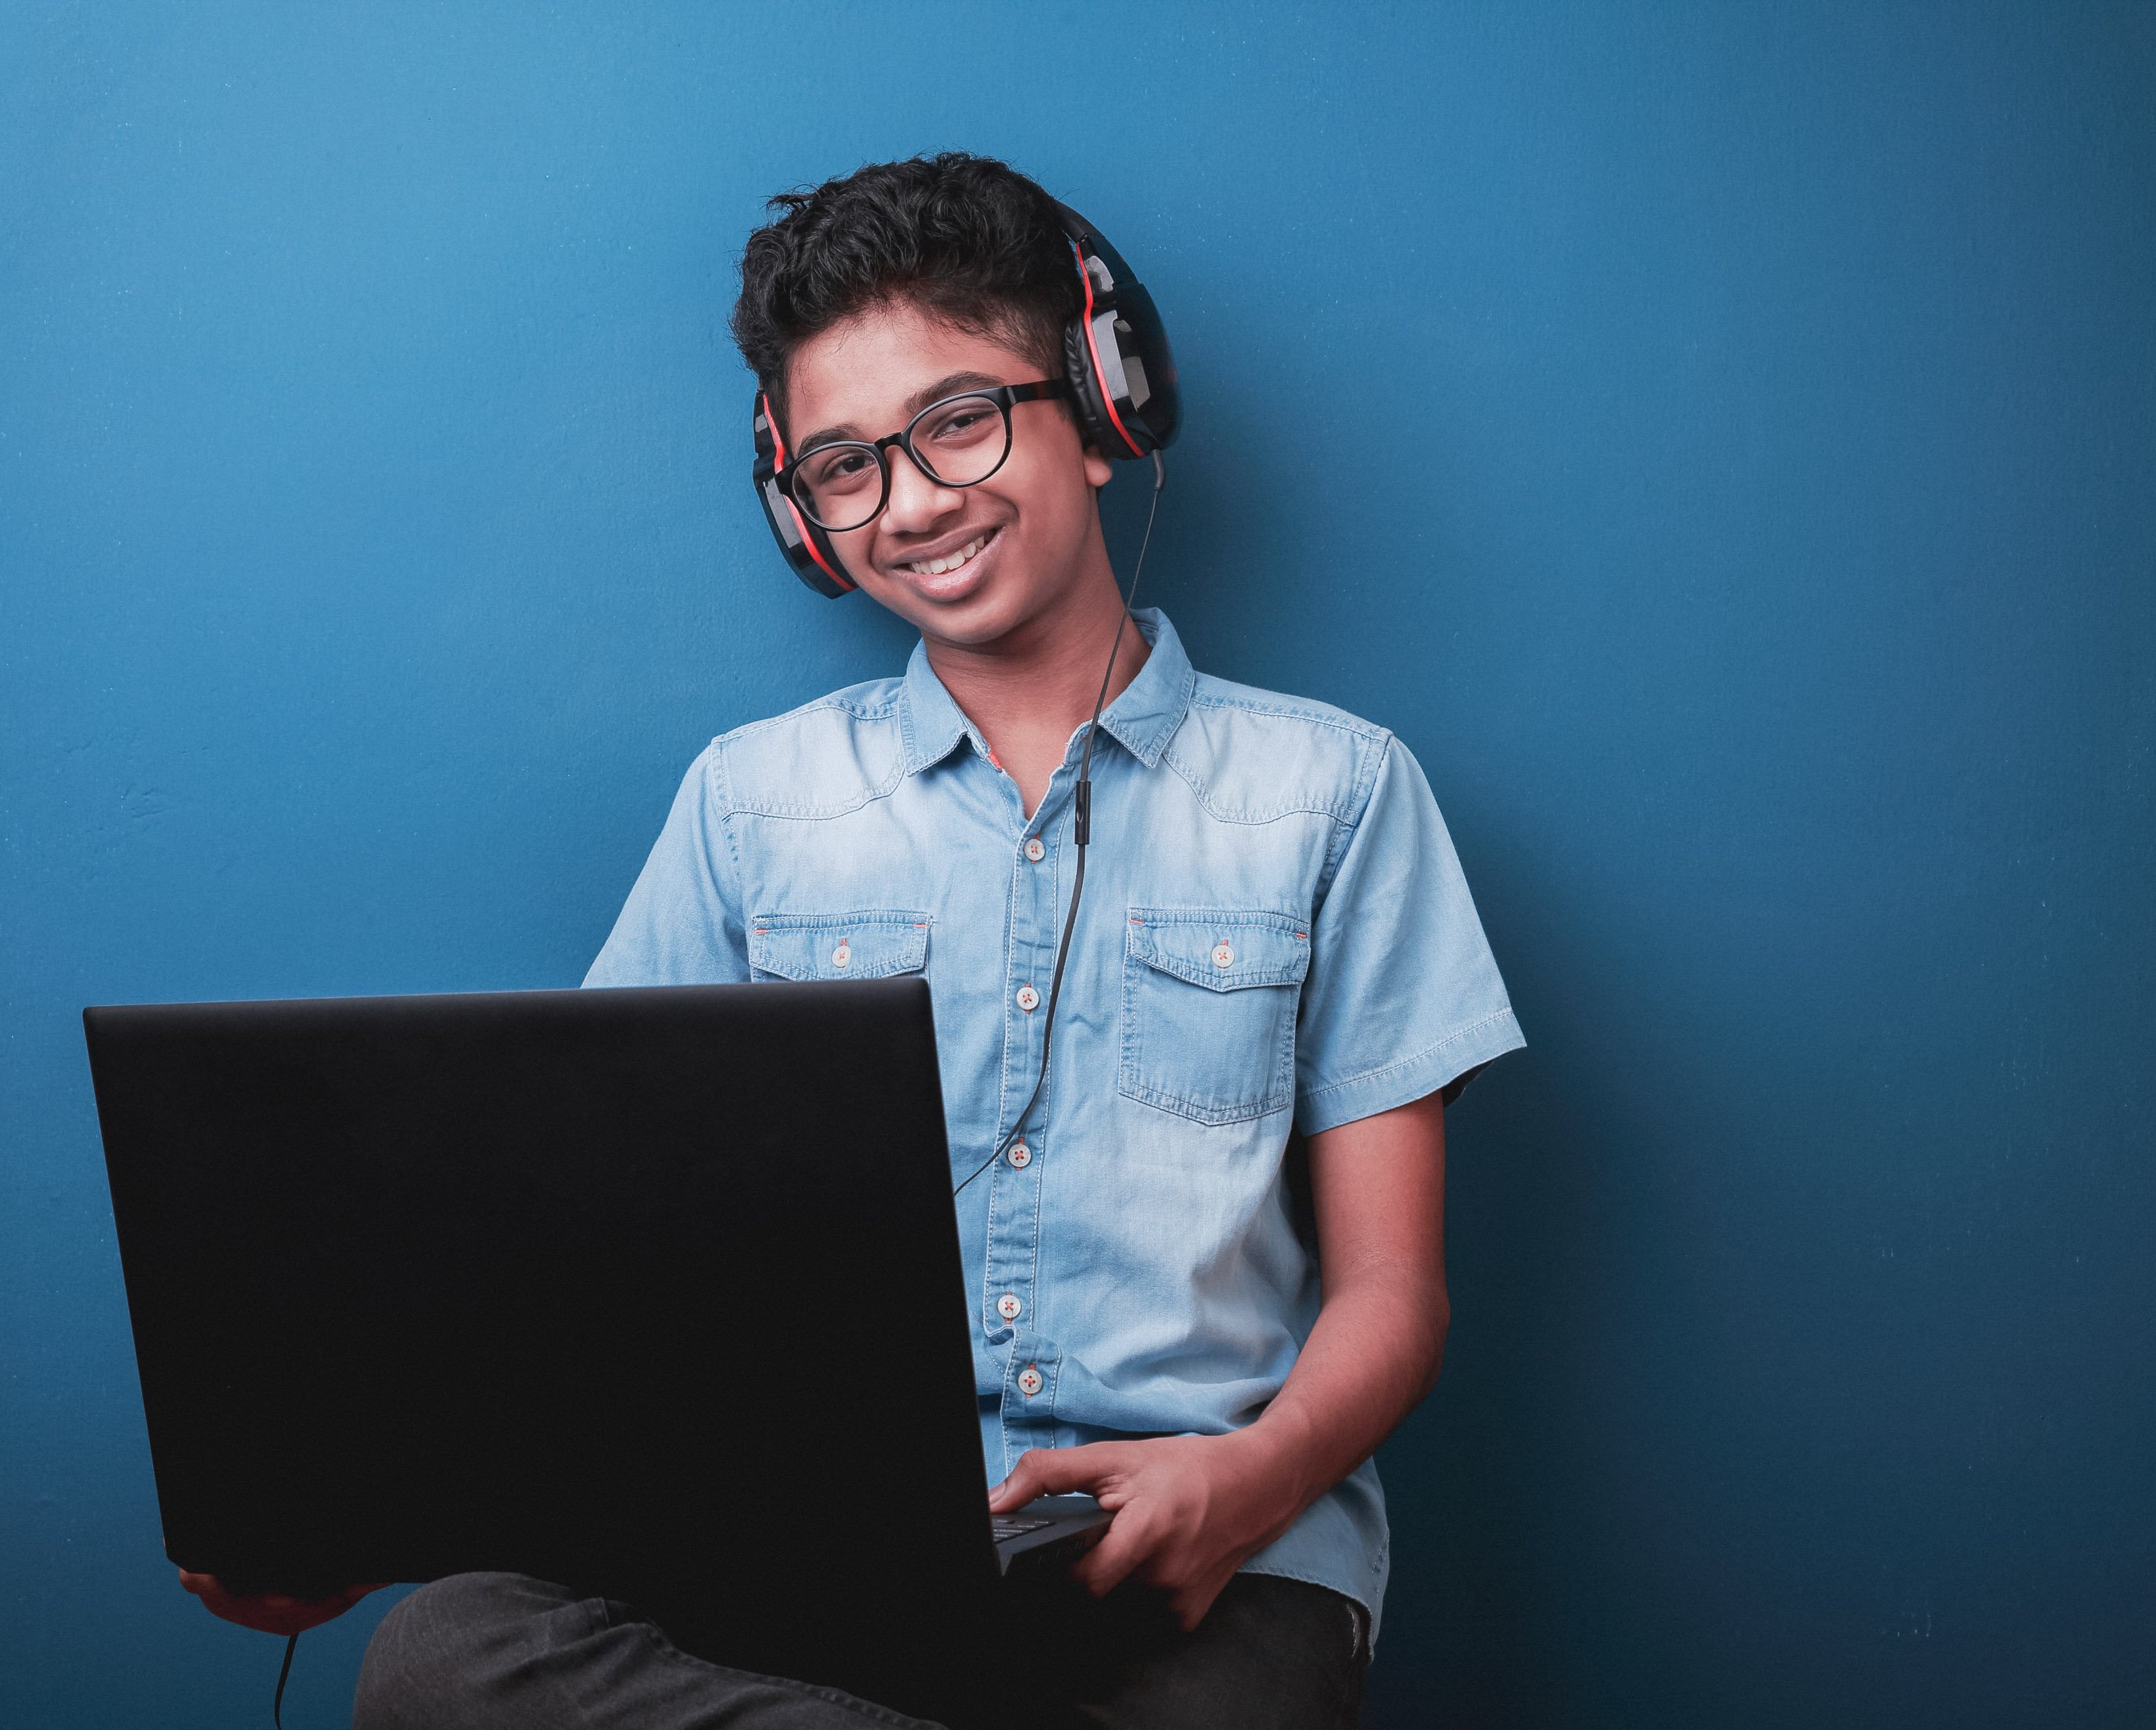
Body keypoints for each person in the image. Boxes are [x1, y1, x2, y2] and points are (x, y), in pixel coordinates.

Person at [182, 152, 1523, 1729]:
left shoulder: (1339, 792)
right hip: (807, 1553)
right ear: (799, 511)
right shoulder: (752, 804)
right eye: (843, 465)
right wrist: (376, 1519)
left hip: (1198, 1560)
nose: (913, 502)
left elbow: (1392, 1292)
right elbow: (588, 1270)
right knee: (441, 1663)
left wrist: (1245, 1481)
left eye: (960, 420)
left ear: (1098, 406)